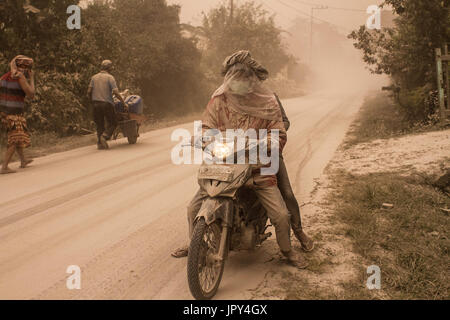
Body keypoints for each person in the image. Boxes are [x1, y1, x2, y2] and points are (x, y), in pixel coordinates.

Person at [172, 50, 308, 269]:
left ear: (251, 80)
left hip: (257, 166)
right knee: (192, 208)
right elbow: (208, 126)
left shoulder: (267, 101)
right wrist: (204, 138)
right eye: (234, 79)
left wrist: (272, 143)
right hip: (224, 165)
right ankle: (196, 243)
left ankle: (288, 251)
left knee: (281, 215)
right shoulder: (219, 101)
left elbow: (278, 130)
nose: (238, 84)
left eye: (243, 79)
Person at [274, 93, 314, 252]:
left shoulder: (268, 97)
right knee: (210, 188)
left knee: (286, 191)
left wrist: (271, 133)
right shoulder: (228, 97)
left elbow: (285, 121)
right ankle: (198, 239)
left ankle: (298, 231)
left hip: (265, 150)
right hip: (235, 152)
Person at [0, 55, 35, 174]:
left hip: (4, 113)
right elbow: (31, 94)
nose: (26, 69)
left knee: (18, 136)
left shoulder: (4, 77)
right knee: (15, 139)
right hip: (14, 113)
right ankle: (4, 167)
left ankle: (23, 161)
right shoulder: (19, 77)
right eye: (25, 66)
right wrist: (32, 79)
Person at [87, 60, 128, 150]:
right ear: (109, 68)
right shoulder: (110, 78)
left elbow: (89, 91)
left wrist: (91, 102)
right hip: (106, 104)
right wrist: (123, 102)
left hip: (95, 104)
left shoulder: (94, 77)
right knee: (113, 122)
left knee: (100, 124)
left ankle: (100, 143)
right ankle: (105, 137)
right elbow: (116, 92)